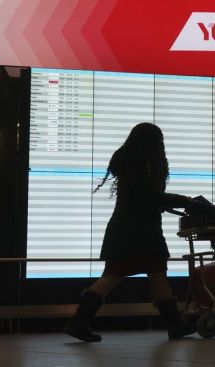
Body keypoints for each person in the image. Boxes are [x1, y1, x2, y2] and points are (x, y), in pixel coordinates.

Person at [64, 122, 195, 342]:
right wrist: (187, 201)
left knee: (125, 275)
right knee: (149, 274)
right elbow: (151, 197)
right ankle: (175, 324)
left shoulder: (130, 164)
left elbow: (144, 198)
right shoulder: (145, 166)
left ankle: (80, 322)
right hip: (141, 232)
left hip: (125, 230)